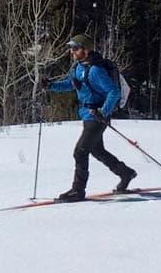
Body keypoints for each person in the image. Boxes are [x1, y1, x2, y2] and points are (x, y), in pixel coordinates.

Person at [45, 34, 137, 202]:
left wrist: (103, 111)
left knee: (80, 151)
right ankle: (126, 173)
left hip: (97, 117)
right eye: (71, 48)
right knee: (97, 150)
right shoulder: (78, 67)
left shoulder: (96, 70)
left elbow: (113, 92)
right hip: (87, 116)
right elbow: (70, 84)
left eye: (76, 48)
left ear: (85, 50)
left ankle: (78, 191)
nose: (72, 51)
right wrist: (50, 85)